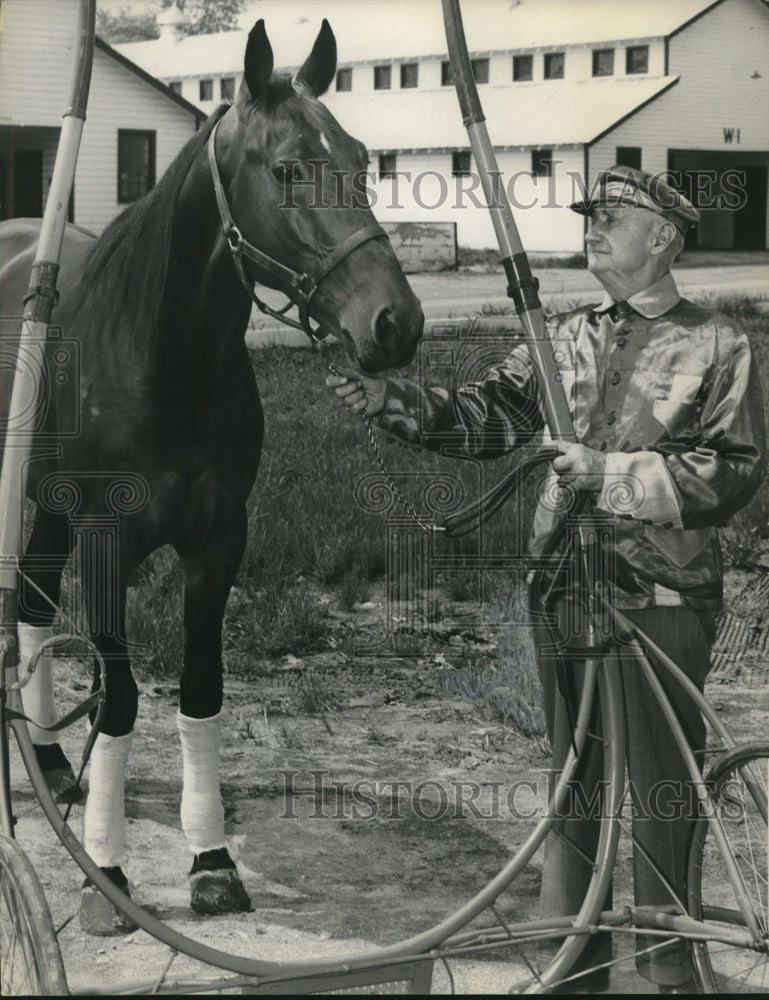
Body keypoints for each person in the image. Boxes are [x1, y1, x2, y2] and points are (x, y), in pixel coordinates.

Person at [328, 165, 766, 994]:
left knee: (661, 784)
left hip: (656, 595)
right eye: (587, 215)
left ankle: (671, 965)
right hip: (562, 586)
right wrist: (388, 400)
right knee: (574, 779)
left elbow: (731, 472)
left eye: (611, 216)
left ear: (664, 237)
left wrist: (611, 471)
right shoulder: (558, 335)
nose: (592, 227)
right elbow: (485, 416)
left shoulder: (717, 343)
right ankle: (576, 962)